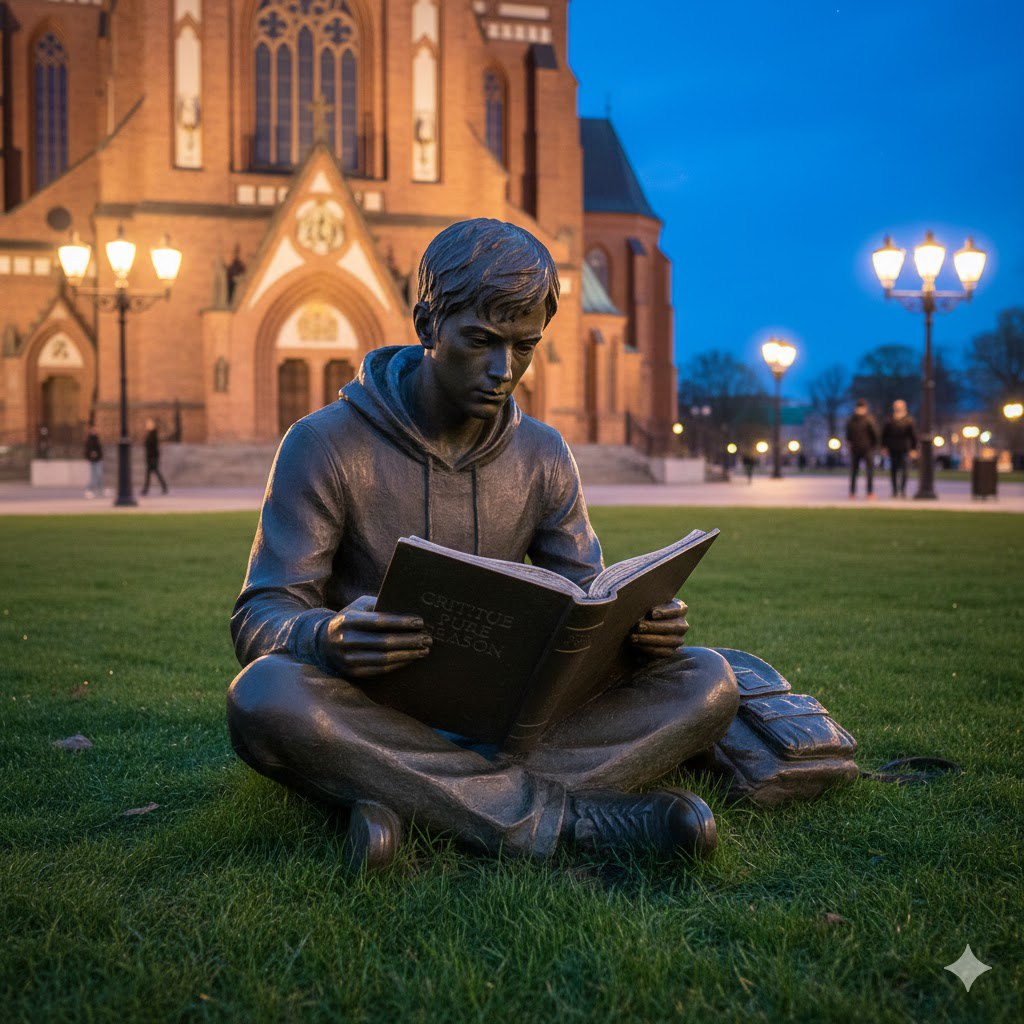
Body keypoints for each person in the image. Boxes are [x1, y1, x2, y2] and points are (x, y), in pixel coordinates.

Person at [227, 220, 741, 870]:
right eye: (481, 341)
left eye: (525, 347)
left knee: (708, 679)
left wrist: (637, 632)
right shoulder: (323, 444)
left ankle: (413, 803)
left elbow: (586, 602)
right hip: (374, 709)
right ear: (426, 324)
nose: (504, 371)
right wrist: (325, 637)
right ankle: (570, 822)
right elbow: (261, 616)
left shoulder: (545, 454)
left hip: (512, 721)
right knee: (265, 695)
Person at [880, 399, 918, 498]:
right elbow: (884, 435)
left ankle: (903, 490)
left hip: (905, 448)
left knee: (905, 470)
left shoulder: (909, 420)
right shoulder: (889, 420)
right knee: (893, 470)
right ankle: (894, 490)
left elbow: (913, 436)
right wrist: (884, 447)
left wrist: (913, 449)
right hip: (892, 448)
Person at [845, 399, 879, 500]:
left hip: (857, 448)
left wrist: (850, 444)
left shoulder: (851, 420)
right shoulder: (869, 419)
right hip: (866, 448)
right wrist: (874, 446)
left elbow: (848, 436)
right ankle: (869, 493)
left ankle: (852, 493)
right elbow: (875, 435)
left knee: (855, 472)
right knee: (868, 472)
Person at [141, 418, 168, 495]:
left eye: (149, 424)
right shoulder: (150, 434)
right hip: (150, 457)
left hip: (152, 458)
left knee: (154, 473)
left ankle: (146, 489)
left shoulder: (153, 434)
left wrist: (153, 458)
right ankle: (147, 489)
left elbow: (154, 447)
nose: (147, 425)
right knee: (151, 474)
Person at [84, 424, 103, 498]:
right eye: (93, 430)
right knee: (93, 477)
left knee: (99, 475)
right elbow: (87, 450)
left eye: (95, 430)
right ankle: (89, 490)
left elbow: (100, 449)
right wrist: (90, 454)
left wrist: (98, 455)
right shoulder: (89, 440)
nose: (94, 431)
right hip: (92, 460)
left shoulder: (97, 438)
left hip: (98, 459)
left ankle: (99, 490)